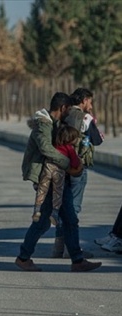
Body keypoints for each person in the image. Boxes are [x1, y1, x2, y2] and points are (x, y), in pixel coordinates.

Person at [14, 93, 101, 272]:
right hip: (49, 178)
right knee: (50, 221)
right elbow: (45, 148)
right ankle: (24, 257)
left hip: (57, 178)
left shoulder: (53, 124)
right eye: (68, 110)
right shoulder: (43, 124)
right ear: (62, 108)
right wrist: (67, 162)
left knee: (66, 219)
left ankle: (76, 260)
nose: (69, 114)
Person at [52, 88, 104, 258]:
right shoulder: (85, 118)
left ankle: (58, 248)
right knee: (74, 207)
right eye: (90, 101)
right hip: (77, 165)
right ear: (83, 101)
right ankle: (71, 249)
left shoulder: (64, 115)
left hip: (61, 165)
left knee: (63, 206)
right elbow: (97, 140)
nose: (91, 105)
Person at [31, 123, 82, 226]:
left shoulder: (55, 145)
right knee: (58, 191)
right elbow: (74, 163)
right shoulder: (69, 148)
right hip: (59, 171)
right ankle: (54, 213)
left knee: (42, 188)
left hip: (48, 167)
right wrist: (79, 162)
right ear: (71, 138)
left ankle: (37, 210)